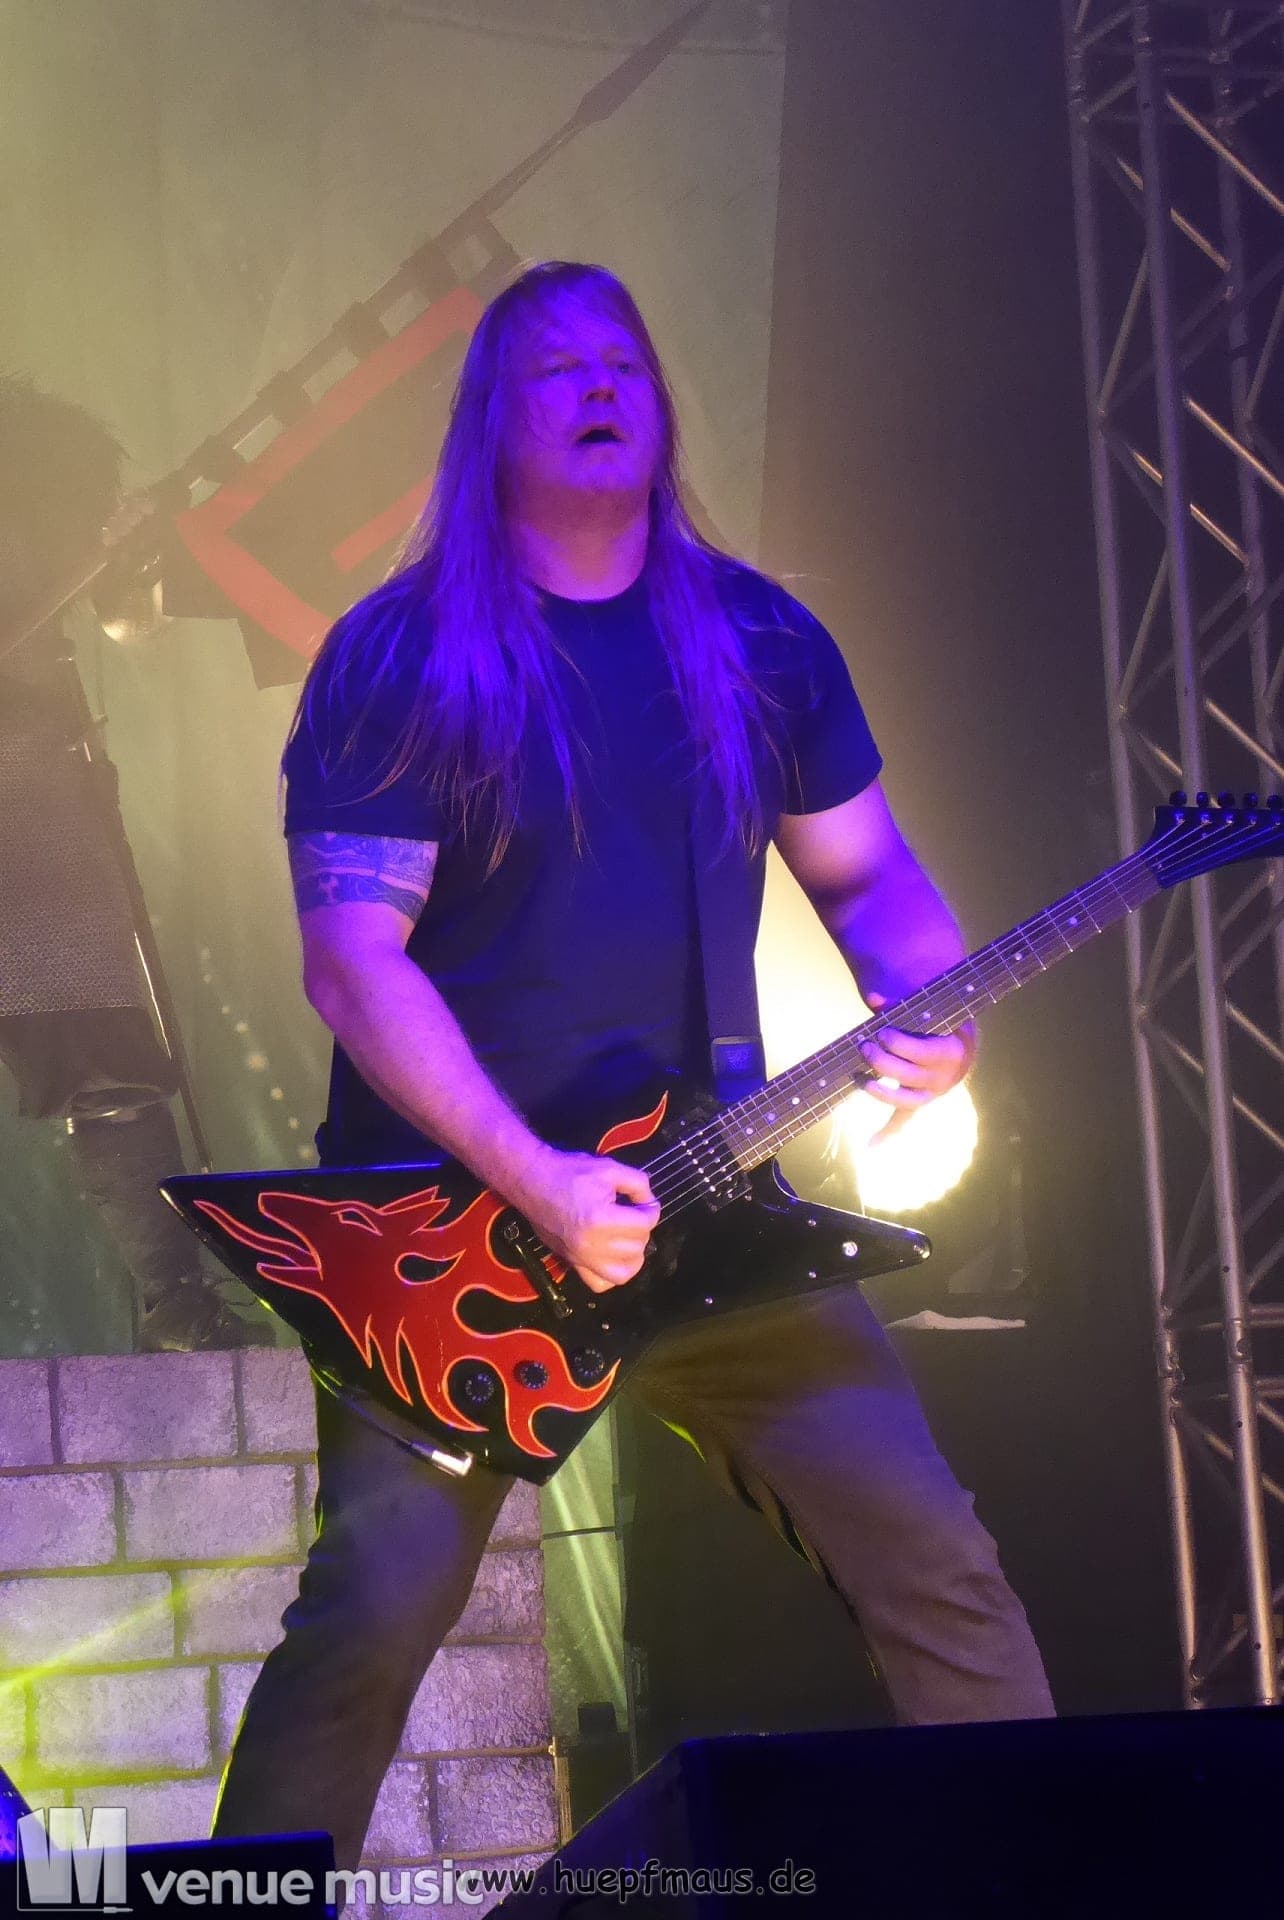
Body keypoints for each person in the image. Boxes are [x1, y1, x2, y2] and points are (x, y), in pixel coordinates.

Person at [212, 260, 1054, 1870]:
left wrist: (929, 1003)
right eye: (557, 370)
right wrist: (534, 1178)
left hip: (709, 1209)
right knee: (366, 1631)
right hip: (449, 1246)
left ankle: (1053, 1884)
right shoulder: (398, 655)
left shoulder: (760, 639)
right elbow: (353, 962)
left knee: (940, 1570)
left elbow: (872, 876)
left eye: (625, 364)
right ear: (490, 423)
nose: (600, 386)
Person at [0, 376, 264, 1353]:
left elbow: (126, 620)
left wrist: (130, 559)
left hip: (30, 796)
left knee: (108, 1070)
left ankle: (173, 1302)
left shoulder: (50, 459)